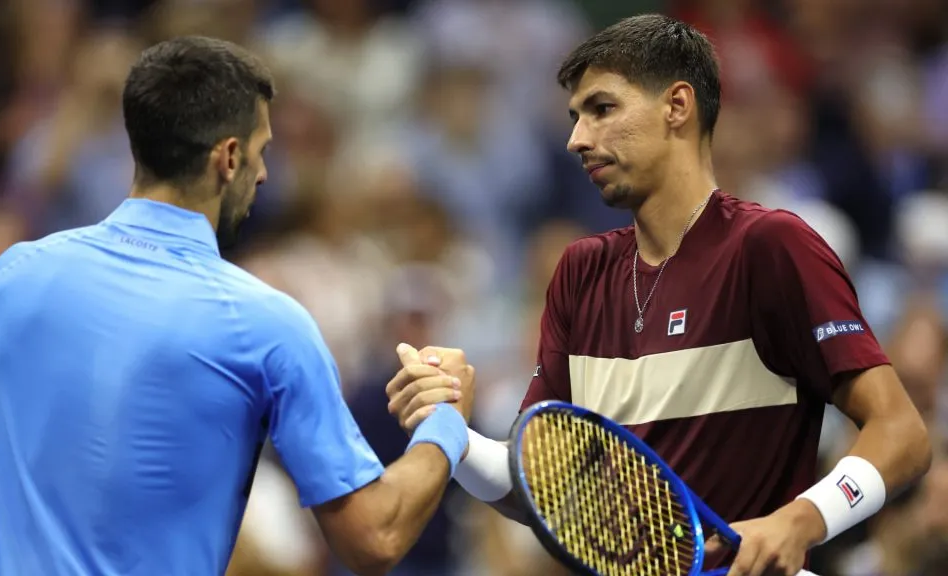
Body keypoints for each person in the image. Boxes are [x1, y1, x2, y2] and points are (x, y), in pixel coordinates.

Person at [384, 14, 932, 576]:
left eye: (601, 109)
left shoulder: (771, 248)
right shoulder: (579, 270)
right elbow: (543, 494)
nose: (577, 139)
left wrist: (801, 519)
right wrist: (451, 430)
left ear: (677, 106)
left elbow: (902, 434)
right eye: (575, 118)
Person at [0, 36, 475, 576]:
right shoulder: (268, 325)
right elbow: (373, 537)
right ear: (228, 157)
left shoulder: (11, 278)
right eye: (261, 152)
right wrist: (446, 423)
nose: (264, 175)